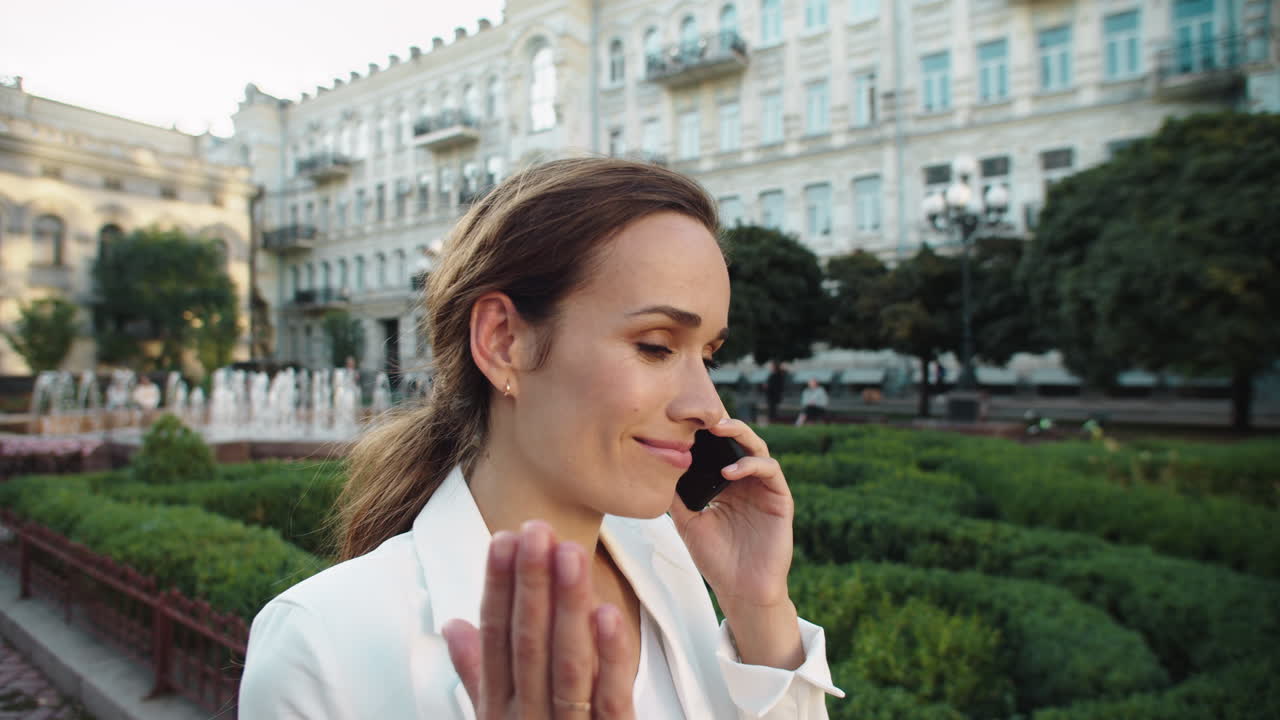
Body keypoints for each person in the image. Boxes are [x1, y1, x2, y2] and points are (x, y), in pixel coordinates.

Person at [238, 158, 843, 718]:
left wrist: (759, 608)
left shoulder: (666, 555)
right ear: (503, 342)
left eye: (707, 356)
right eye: (656, 346)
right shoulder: (323, 647)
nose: (708, 406)